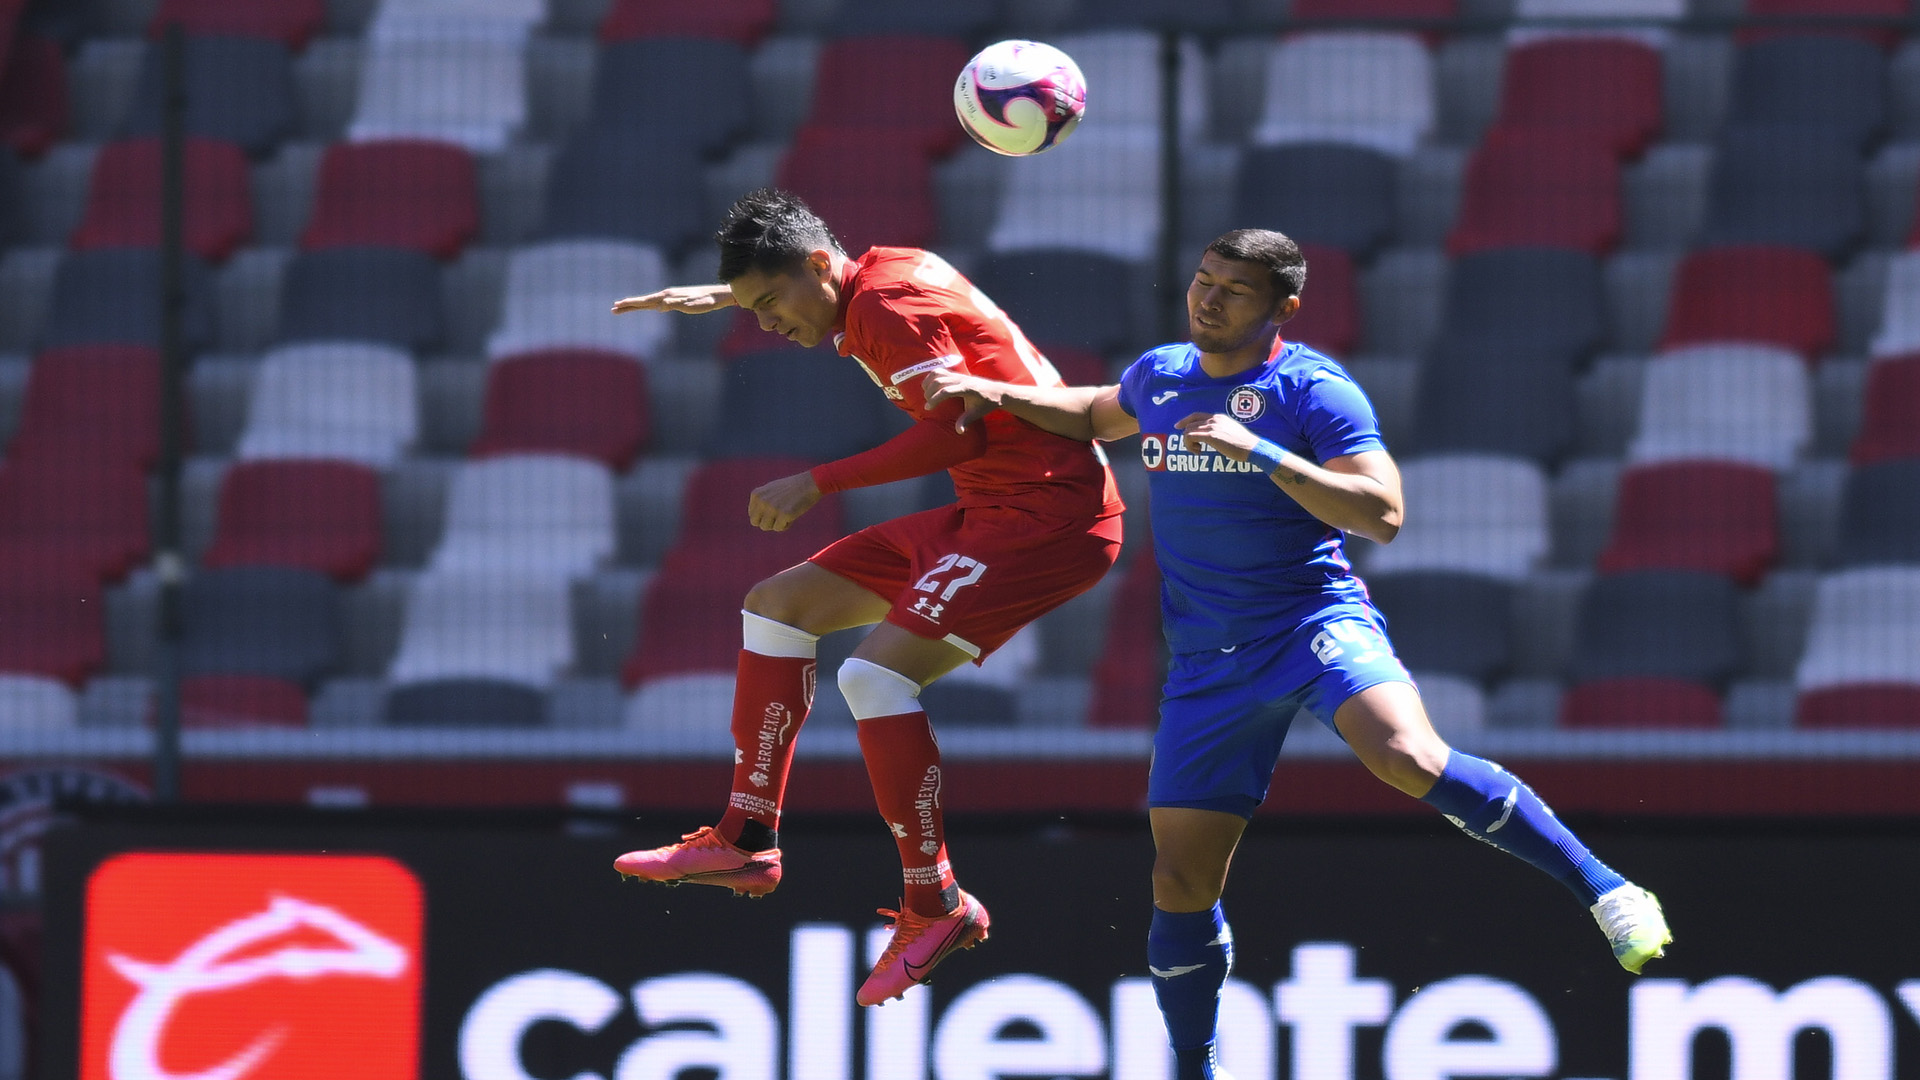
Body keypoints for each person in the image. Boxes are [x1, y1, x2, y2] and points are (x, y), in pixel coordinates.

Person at [924, 228, 1672, 1080]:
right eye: (1203, 281)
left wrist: (1266, 454)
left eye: (1234, 291)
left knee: (1405, 755)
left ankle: (1608, 890)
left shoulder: (1312, 389)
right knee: (1178, 881)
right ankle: (1194, 1067)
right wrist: (992, 390)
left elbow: (1382, 513)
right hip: (1208, 662)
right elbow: (1099, 411)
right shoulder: (1163, 372)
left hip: (1310, 624)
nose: (1208, 300)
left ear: (1283, 307)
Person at [605, 189, 1124, 1006]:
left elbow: (958, 432)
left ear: (817, 267)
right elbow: (864, 308)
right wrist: (729, 294)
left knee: (874, 678)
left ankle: (936, 902)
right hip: (991, 507)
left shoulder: (883, 308)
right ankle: (747, 837)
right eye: (754, 308)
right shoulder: (885, 272)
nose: (767, 324)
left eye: (769, 303)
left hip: (1046, 519)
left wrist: (820, 481)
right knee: (779, 605)